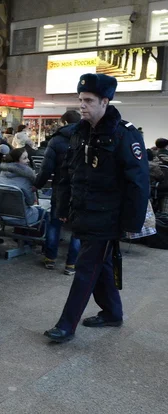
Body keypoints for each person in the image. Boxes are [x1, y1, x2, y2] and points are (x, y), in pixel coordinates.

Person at [44, 73, 149, 343]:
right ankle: (113, 313)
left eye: (88, 100)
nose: (82, 105)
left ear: (105, 101)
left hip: (108, 217)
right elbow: (69, 173)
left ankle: (66, 325)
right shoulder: (78, 133)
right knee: (100, 266)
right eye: (80, 100)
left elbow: (138, 182)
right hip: (83, 212)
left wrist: (131, 224)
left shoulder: (125, 134)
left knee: (85, 268)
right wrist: (63, 206)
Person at [34, 110, 82, 275]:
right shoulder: (89, 137)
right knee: (77, 226)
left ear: (64, 122)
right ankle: (71, 265)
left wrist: (37, 185)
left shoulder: (56, 140)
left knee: (55, 223)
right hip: (82, 189)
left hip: (61, 188)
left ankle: (50, 259)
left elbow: (46, 168)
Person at [0, 148, 46, 226]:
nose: (28, 160)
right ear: (16, 161)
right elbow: (31, 202)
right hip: (22, 218)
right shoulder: (25, 179)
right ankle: (47, 237)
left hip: (3, 216)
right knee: (44, 213)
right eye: (24, 158)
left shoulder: (2, 174)